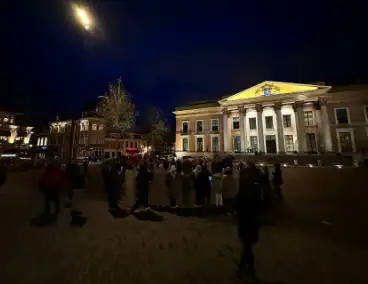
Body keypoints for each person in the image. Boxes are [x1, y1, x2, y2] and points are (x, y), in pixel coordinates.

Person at [234, 161, 262, 282]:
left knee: (247, 249)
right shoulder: (254, 191)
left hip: (245, 224)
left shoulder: (242, 193)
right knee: (248, 249)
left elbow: (236, 206)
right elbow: (259, 205)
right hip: (250, 224)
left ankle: (245, 270)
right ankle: (248, 270)